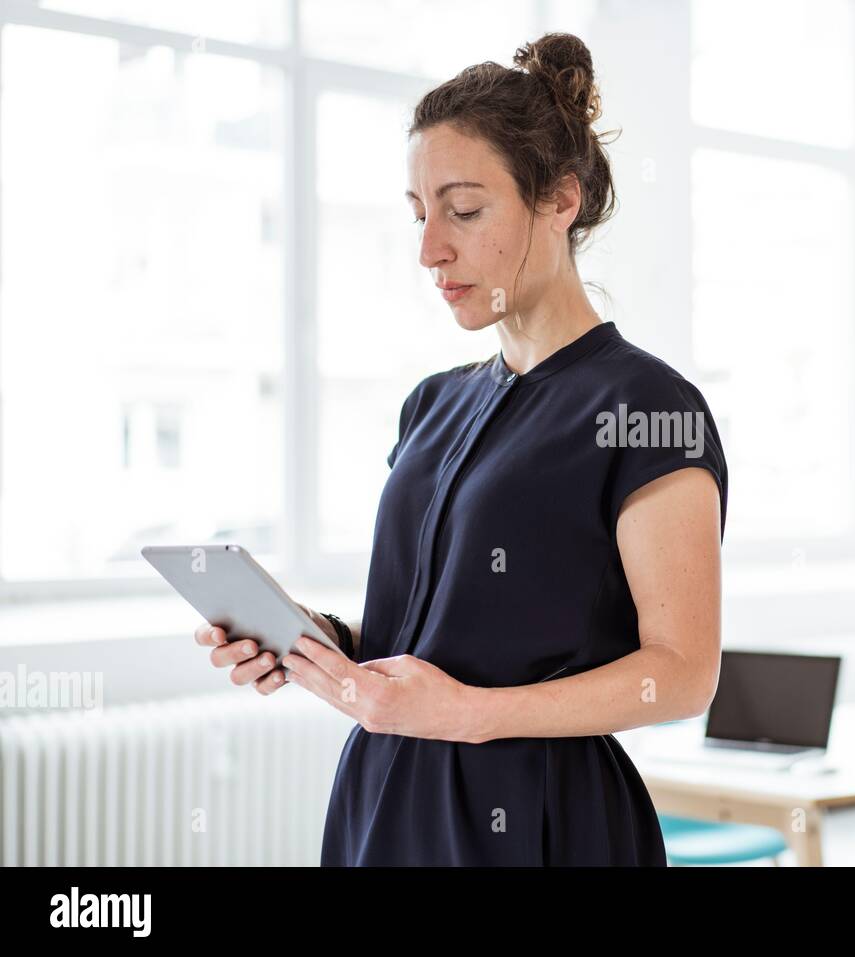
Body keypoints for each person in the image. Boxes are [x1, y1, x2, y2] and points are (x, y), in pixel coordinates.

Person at [194, 32, 726, 865]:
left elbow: (684, 672)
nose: (430, 248)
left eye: (465, 210)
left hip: (544, 820)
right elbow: (442, 634)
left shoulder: (649, 407)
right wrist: (313, 637)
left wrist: (470, 712)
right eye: (419, 213)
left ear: (560, 199)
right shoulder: (432, 404)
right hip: (387, 799)